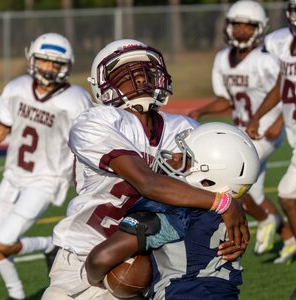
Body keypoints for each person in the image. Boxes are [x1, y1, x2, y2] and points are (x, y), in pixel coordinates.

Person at [42, 39, 250, 300]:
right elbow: (147, 182)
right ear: (103, 86)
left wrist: (235, 203)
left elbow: (217, 180)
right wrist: (224, 203)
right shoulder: (95, 121)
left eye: (146, 72)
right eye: (126, 75)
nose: (140, 79)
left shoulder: (184, 129)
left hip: (150, 258)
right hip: (84, 255)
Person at [85, 122, 260, 299]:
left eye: (186, 157)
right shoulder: (230, 214)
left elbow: (100, 258)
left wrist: (95, 280)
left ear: (206, 181)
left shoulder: (176, 212)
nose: (175, 157)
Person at [0, 33, 92, 300]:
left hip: (46, 179)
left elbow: (89, 143)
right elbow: (0, 131)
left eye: (56, 63)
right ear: (32, 59)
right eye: (44, 61)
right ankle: (16, 295)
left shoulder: (76, 99)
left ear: (67, 65)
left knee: (3, 242)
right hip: (13, 175)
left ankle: (47, 244)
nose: (49, 68)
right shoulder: (16, 88)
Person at [188, 0, 296, 263]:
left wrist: (277, 122)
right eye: (237, 25)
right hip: (241, 133)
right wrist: (201, 111)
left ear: (259, 30)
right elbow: (226, 99)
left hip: (264, 133)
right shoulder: (223, 59)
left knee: (235, 185)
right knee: (254, 193)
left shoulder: (265, 61)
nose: (241, 31)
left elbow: (286, 91)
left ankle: (267, 220)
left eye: (248, 27)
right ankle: (289, 237)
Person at [246, 0, 296, 299]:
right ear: (291, 14)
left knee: (289, 196)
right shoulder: (279, 42)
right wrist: (257, 115)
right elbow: (283, 81)